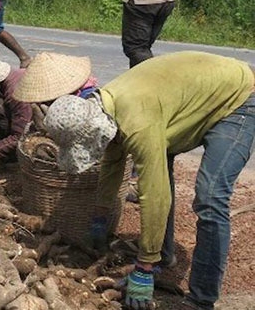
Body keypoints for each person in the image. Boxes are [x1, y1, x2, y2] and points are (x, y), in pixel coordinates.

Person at [42, 51, 255, 310]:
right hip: (188, 98)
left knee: (210, 197)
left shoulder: (136, 123)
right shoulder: (103, 107)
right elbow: (113, 161)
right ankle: (163, 257)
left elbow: (155, 195)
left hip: (237, 98)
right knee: (159, 168)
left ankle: (201, 299)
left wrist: (143, 266)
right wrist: (100, 215)